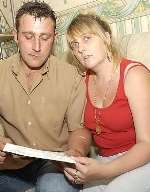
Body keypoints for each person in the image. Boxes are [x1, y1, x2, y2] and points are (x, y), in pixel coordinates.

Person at [0, 2, 91, 192]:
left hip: (55, 165)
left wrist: (76, 151)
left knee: (53, 187)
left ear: (54, 38)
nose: (36, 47)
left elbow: (79, 130)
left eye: (45, 37)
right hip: (11, 165)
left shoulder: (72, 77)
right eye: (28, 36)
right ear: (16, 36)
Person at [64, 13, 150, 192]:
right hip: (105, 159)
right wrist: (75, 152)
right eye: (75, 44)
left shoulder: (134, 75)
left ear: (107, 37)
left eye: (87, 38)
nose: (80, 49)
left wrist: (103, 171)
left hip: (141, 159)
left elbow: (147, 144)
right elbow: (82, 130)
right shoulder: (82, 81)